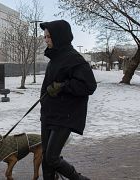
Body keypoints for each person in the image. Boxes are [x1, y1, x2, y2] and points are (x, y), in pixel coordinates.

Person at [39, 20, 97, 180]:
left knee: (52, 157)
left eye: (49, 36)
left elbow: (89, 85)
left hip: (66, 116)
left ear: (60, 37)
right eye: (45, 37)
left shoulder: (73, 58)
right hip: (49, 114)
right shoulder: (55, 58)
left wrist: (62, 86)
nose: (46, 40)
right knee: (46, 158)